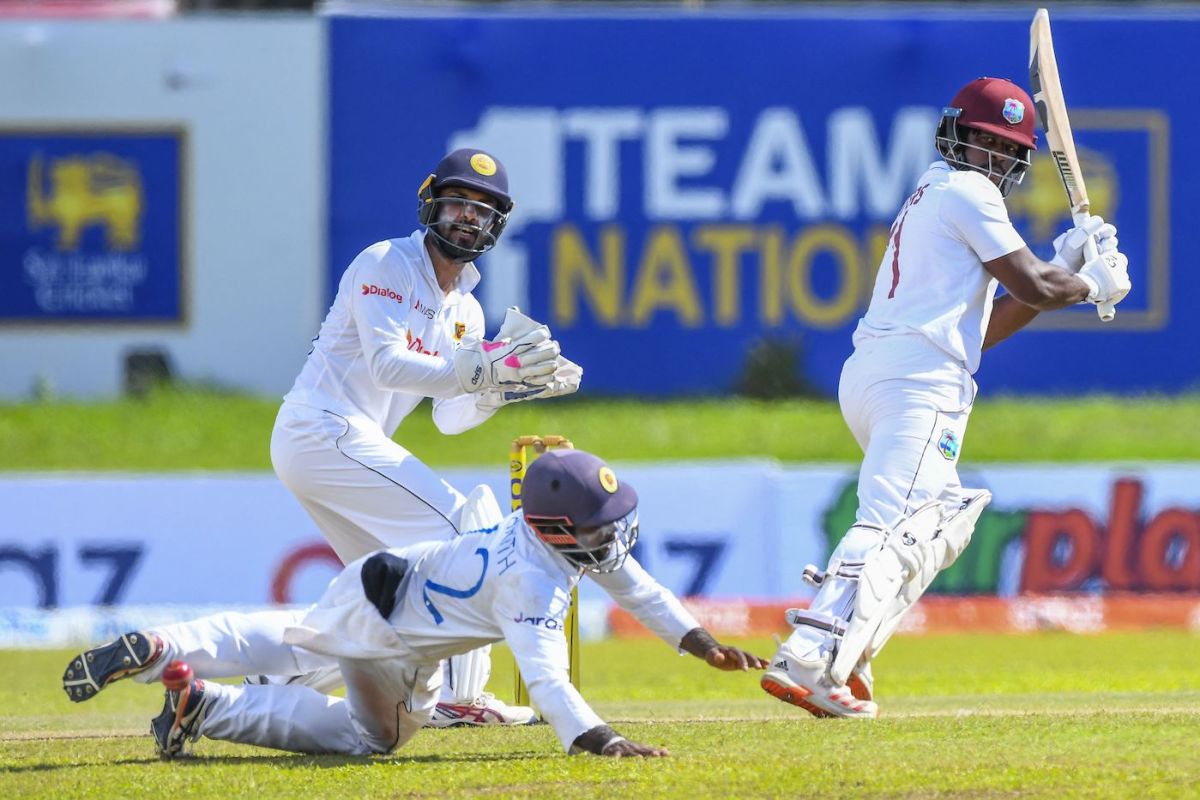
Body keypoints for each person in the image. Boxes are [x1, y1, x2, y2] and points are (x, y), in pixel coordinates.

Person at [761, 77, 1131, 718]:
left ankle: (851, 653)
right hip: (919, 383)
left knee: (941, 523)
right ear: (958, 138)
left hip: (885, 373)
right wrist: (1089, 281)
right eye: (983, 141)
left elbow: (987, 325)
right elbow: (1037, 286)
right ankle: (808, 657)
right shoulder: (969, 191)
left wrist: (1064, 267)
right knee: (887, 522)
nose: (990, 156)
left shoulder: (938, 193)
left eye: (1000, 147)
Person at [62, 449, 768, 759]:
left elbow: (635, 586)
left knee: (300, 637)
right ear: (556, 529)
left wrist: (701, 643)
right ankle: (212, 708)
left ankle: (165, 646)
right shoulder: (534, 580)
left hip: (376, 576)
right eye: (598, 529)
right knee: (375, 740)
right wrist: (600, 739)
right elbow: (548, 679)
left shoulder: (544, 542)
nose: (612, 539)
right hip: (394, 647)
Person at [268, 147, 582, 725]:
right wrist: (487, 367)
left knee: (387, 600)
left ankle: (263, 683)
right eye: (459, 202)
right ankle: (461, 697)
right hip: (321, 428)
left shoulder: (466, 309)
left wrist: (506, 388)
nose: (469, 217)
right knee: (468, 532)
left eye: (483, 210)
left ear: (496, 226)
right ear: (431, 203)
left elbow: (448, 416)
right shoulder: (384, 263)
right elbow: (387, 367)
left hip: (340, 445)